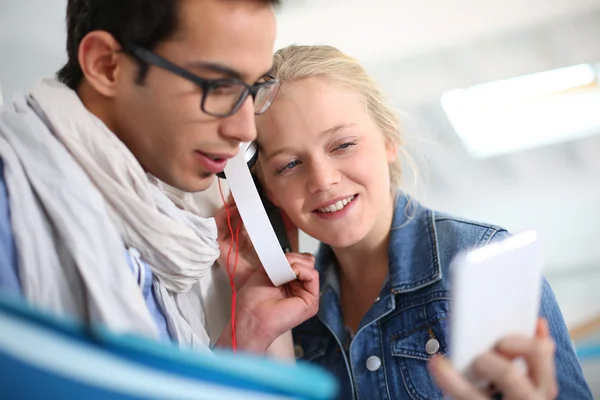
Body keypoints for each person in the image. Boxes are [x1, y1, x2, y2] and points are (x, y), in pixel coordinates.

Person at [222, 44, 592, 398]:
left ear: (388, 139)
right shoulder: (291, 311)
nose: (322, 180)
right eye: (289, 165)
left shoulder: (481, 258)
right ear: (267, 193)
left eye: (343, 145)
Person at [0, 0, 320, 356]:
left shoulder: (161, 222)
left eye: (254, 88)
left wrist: (245, 333)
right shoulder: (11, 201)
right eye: (217, 86)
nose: (244, 129)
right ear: (106, 66)